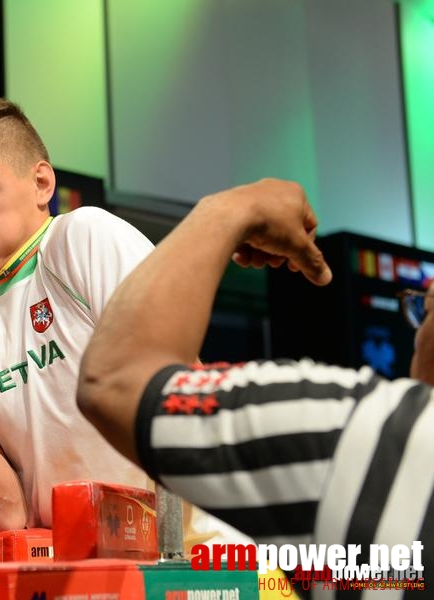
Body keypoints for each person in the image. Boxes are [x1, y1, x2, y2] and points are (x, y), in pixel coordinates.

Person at [77, 178, 432, 584]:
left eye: (427, 306)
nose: (417, 330)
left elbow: (115, 382)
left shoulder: (363, 435)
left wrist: (231, 210)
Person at [0, 96, 163, 531]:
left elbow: (181, 394)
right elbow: (8, 513)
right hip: (71, 574)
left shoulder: (84, 237)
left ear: (42, 183)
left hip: (186, 554)